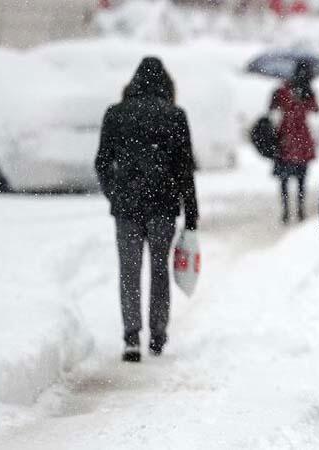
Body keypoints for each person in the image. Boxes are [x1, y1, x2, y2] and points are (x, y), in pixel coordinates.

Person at [95, 57, 198, 363]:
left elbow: (102, 161)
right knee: (159, 269)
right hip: (163, 205)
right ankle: (157, 334)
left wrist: (114, 193)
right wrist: (191, 211)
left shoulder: (115, 114)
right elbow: (185, 169)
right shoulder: (175, 115)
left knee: (129, 270)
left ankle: (130, 337)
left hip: (126, 206)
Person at [270, 58, 319, 224]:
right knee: (301, 178)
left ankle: (286, 210)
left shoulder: (284, 89)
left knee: (285, 179)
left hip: (285, 138)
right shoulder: (305, 90)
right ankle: (299, 209)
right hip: (300, 138)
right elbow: (316, 109)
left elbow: (272, 109)